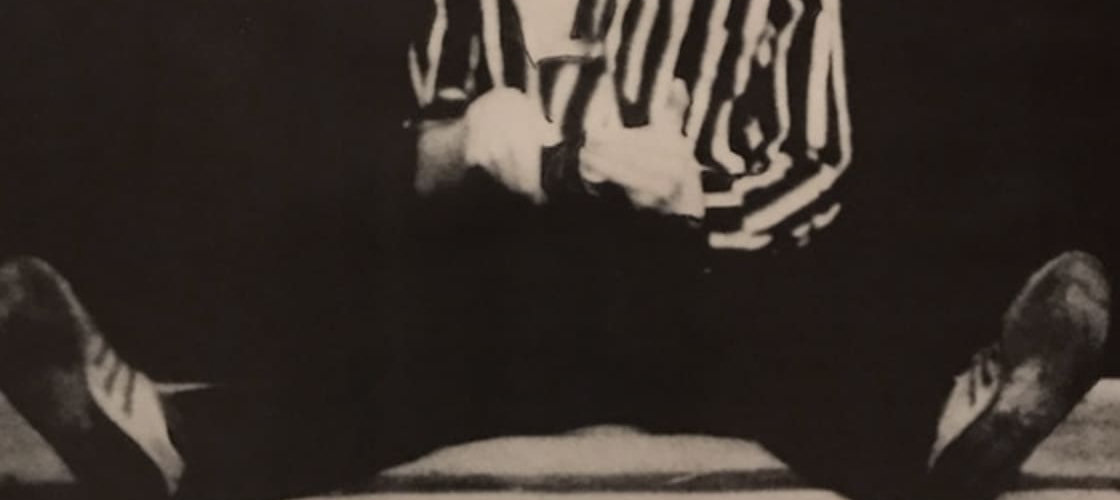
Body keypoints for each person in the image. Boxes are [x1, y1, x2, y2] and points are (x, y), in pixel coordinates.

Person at [0, 1, 1112, 500]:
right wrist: (460, 144)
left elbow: (812, 168)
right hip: (506, 302)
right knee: (417, 343)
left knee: (774, 336)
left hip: (703, 288)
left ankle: (943, 433)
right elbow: (401, 155)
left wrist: (692, 194)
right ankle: (168, 443)